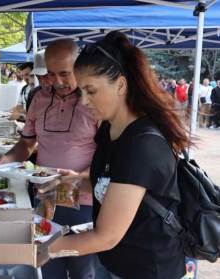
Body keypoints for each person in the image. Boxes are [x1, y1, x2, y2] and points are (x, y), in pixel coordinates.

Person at [46, 31, 187, 279]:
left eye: (91, 91)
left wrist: (38, 248)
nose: (84, 101)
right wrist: (77, 180)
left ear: (121, 85)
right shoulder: (109, 130)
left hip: (149, 270)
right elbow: (112, 183)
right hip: (114, 264)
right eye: (82, 92)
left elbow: (106, 236)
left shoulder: (141, 145)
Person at [0, 39, 99, 279]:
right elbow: (27, 143)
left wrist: (79, 179)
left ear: (79, 68)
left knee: (84, 270)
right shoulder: (39, 98)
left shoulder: (94, 100)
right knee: (46, 264)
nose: (58, 82)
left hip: (84, 203)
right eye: (51, 74)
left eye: (65, 74)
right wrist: (8, 158)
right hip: (44, 199)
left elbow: (110, 158)